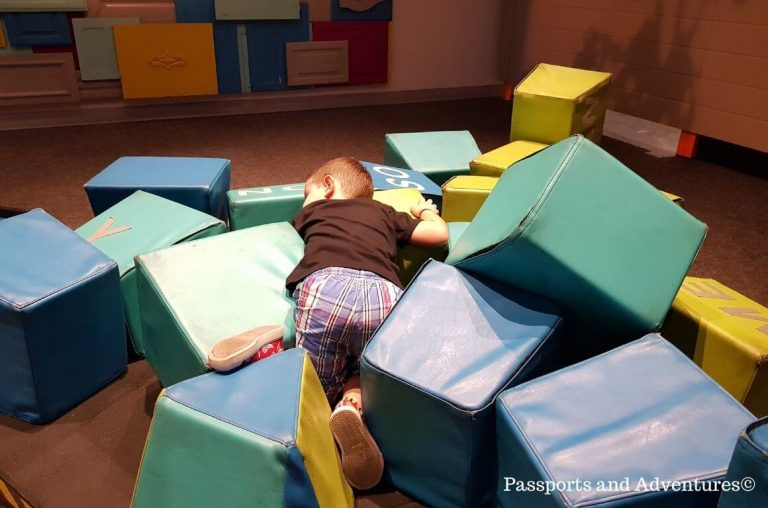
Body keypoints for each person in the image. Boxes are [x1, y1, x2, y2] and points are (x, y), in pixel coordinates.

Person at [286, 157, 448, 490]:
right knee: (366, 366)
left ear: (328, 186)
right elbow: (438, 235)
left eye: (307, 192)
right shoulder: (384, 214)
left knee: (314, 384)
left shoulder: (311, 214)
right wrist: (426, 210)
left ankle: (322, 429)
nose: (305, 201)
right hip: (385, 296)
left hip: (326, 288)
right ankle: (352, 406)